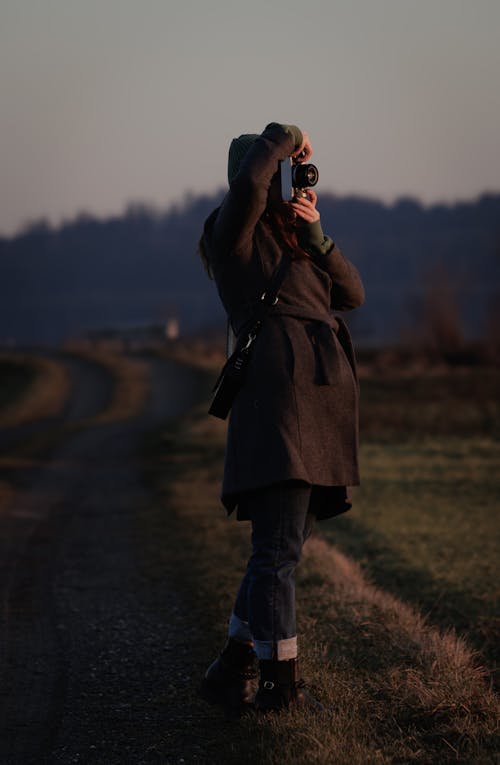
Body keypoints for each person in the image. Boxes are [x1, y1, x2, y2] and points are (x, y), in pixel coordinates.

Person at [198, 122, 365, 714]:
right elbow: (247, 186)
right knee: (276, 553)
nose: (278, 179)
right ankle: (280, 687)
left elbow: (352, 293)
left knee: (281, 549)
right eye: (275, 169)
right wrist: (287, 134)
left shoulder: (293, 238)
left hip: (317, 408)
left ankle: (231, 668)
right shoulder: (232, 237)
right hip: (281, 406)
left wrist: (317, 236)